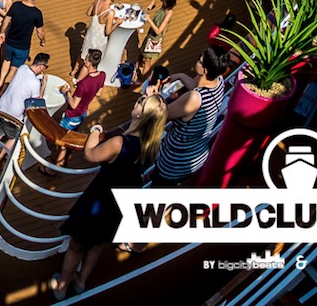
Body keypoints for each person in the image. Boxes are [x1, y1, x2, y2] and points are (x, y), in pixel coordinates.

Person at [52, 96, 167, 298]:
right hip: (119, 202)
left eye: (141, 101)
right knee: (97, 244)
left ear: (141, 114)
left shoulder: (119, 142)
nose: (137, 101)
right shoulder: (151, 145)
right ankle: (80, 282)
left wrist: (95, 131)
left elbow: (90, 154)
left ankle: (62, 286)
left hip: (99, 199)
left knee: (77, 245)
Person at [152, 47, 230, 185]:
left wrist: (154, 94)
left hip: (174, 162)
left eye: (200, 61)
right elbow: (199, 88)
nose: (197, 61)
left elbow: (161, 114)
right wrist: (181, 76)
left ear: (205, 70)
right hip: (197, 153)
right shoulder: (218, 81)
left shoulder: (193, 99)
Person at [0, 0, 46, 93]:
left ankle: (0, 81)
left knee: (6, 60)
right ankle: (3, 90)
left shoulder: (16, 5)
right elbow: (40, 32)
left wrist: (2, 33)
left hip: (9, 42)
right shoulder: (37, 13)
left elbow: (6, 21)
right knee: (14, 68)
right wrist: (42, 40)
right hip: (22, 46)